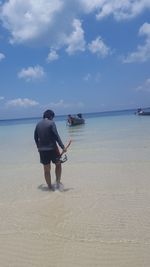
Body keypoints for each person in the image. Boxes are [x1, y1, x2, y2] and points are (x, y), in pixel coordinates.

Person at [34, 110, 67, 190]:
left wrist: (38, 147)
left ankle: (49, 187)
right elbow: (56, 136)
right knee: (58, 164)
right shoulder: (51, 123)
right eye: (53, 117)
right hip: (52, 149)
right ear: (51, 116)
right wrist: (63, 147)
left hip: (42, 150)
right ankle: (58, 183)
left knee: (46, 169)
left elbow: (35, 137)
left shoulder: (38, 124)